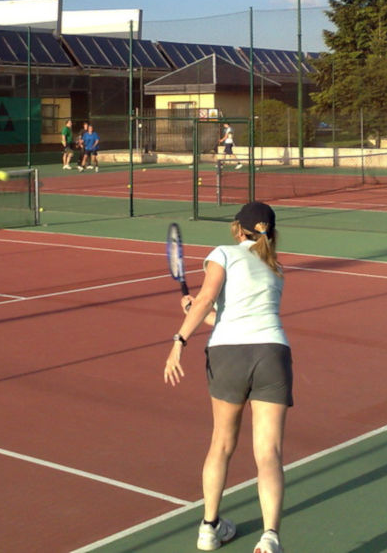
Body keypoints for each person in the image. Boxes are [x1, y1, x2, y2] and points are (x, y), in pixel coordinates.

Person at [164, 201, 291, 553]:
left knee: (221, 444)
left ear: (238, 229)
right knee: (269, 453)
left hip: (228, 355)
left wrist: (179, 339)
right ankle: (270, 538)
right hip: (272, 354)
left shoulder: (223, 252)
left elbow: (208, 298)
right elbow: (225, 313)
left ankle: (208, 528)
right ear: (271, 232)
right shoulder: (276, 267)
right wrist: (198, 312)